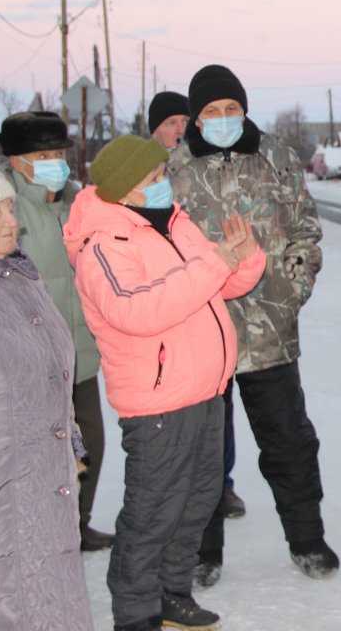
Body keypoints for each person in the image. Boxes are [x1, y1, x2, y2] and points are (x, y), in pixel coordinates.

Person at [63, 136, 265, 631]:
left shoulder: (172, 220)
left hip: (205, 390)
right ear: (124, 190)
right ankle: (135, 614)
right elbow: (137, 309)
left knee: (197, 503)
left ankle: (173, 594)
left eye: (161, 176)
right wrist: (215, 262)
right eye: (152, 179)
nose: (163, 185)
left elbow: (222, 283)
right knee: (152, 514)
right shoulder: (104, 246)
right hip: (157, 403)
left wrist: (244, 254)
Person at [167, 64, 337, 585]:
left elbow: (306, 231)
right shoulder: (171, 168)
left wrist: (292, 292)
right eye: (211, 112)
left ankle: (307, 540)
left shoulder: (277, 157)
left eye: (231, 110)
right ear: (196, 119)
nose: (222, 119)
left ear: (244, 110)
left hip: (268, 332)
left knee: (288, 441)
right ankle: (203, 551)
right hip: (200, 331)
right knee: (201, 451)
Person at [0, 110, 115, 552]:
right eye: (41, 154)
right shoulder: (4, 206)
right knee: (33, 454)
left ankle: (76, 527)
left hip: (78, 354)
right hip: (26, 361)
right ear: (16, 159)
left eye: (58, 153)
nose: (53, 162)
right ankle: (35, 537)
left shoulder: (79, 200)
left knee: (91, 447)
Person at [0, 166, 96, 631]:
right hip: (1, 487)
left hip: (42, 482)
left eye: (10, 207)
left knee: (51, 591)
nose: (9, 222)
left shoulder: (20, 275)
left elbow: (53, 371)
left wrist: (67, 440)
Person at [149, 91, 247, 522]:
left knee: (218, 412)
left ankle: (220, 485)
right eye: (169, 122)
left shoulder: (199, 167)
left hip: (219, 313)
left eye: (183, 121)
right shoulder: (149, 180)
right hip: (170, 321)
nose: (179, 130)